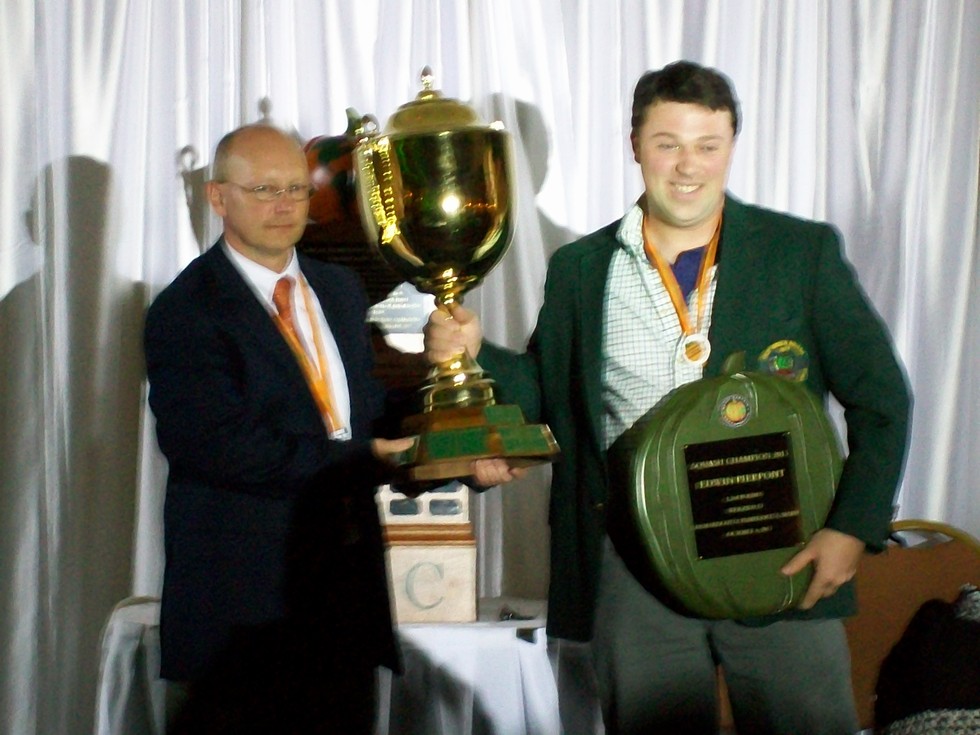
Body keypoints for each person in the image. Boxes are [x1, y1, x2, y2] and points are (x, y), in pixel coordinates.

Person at [424, 60, 911, 734]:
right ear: (635, 145)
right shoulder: (580, 269)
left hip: (779, 549)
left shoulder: (800, 253)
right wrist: (476, 350)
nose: (688, 166)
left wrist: (852, 527)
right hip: (634, 561)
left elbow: (883, 401)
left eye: (707, 145)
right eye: (668, 144)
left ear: (732, 146)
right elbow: (548, 391)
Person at [144, 123, 419, 732]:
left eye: (296, 188)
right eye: (264, 189)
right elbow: (221, 448)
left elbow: (364, 411)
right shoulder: (186, 310)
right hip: (243, 621)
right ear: (218, 197)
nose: (285, 204)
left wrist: (455, 444)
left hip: (345, 607)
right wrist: (366, 456)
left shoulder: (340, 290)